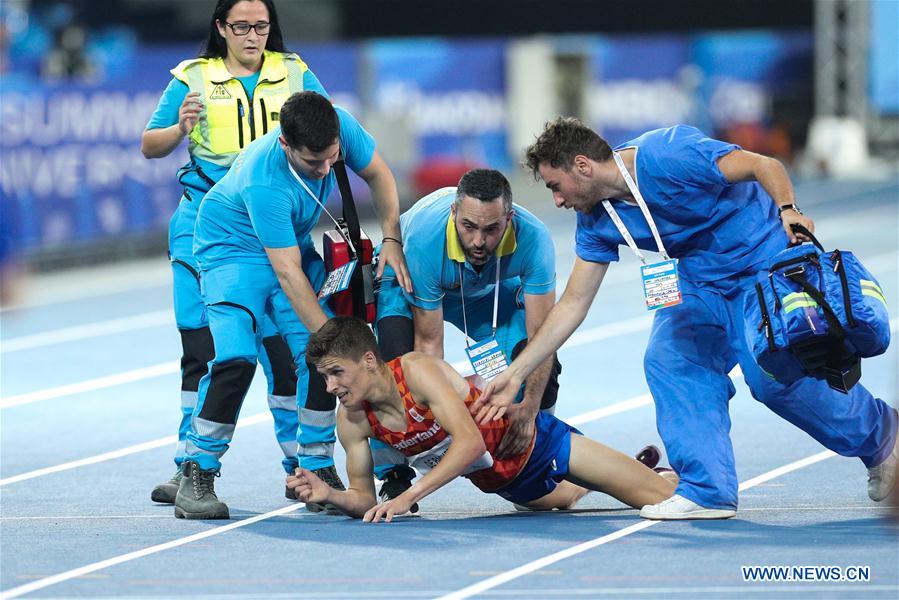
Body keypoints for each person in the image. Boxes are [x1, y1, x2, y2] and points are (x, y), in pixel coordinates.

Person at [474, 117, 899, 520]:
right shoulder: (596, 219)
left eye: (556, 186)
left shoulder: (668, 153)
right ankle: (706, 491)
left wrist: (788, 207)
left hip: (761, 268)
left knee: (773, 381)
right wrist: (518, 373)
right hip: (698, 282)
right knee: (670, 361)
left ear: (582, 166)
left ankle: (884, 438)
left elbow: (762, 164)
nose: (557, 200)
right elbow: (572, 304)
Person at [173, 91, 411, 519]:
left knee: (318, 359)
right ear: (285, 145)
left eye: (330, 159)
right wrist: (338, 343)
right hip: (230, 249)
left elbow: (380, 175)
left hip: (290, 246)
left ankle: (315, 466)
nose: (325, 170)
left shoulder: (338, 124)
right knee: (237, 357)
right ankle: (197, 468)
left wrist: (391, 238)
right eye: (312, 163)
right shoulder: (266, 181)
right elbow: (287, 273)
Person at [141, 0, 328, 505]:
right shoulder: (193, 77)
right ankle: (189, 463)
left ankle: (303, 467)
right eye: (241, 26)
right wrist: (179, 128)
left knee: (290, 352)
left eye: (261, 26)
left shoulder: (295, 73)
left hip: (276, 227)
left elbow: (331, 133)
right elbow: (149, 145)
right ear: (221, 28)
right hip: (208, 226)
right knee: (207, 349)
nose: (252, 36)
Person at [287, 316, 677, 521]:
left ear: (369, 360)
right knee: (560, 501)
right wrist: (332, 496)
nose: (330, 385)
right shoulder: (353, 420)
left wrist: (408, 496)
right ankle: (600, 480)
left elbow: (470, 443)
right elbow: (363, 499)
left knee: (658, 500)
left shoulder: (417, 372)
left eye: (335, 372)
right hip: (502, 483)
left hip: (538, 446)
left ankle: (660, 478)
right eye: (324, 376)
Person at [372, 169, 561, 505]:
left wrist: (529, 408)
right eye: (469, 227)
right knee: (395, 372)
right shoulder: (426, 240)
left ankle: (537, 453)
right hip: (412, 280)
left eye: (491, 230)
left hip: (486, 290)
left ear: (509, 218)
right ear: (453, 213)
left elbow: (542, 336)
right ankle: (395, 475)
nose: (478, 241)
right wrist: (449, 436)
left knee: (542, 368)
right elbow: (429, 348)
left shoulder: (534, 240)